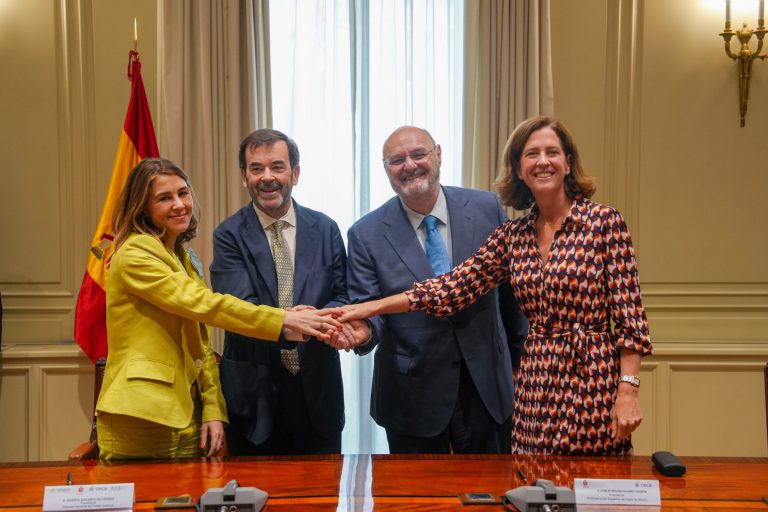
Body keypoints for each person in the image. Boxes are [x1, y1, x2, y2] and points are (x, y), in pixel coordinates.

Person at [338, 117, 653, 455]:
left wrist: (628, 389)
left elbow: (630, 318)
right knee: (531, 479)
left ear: (568, 162)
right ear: (519, 168)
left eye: (552, 152)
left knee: (594, 478)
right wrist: (369, 308)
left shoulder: (604, 223)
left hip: (591, 377)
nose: (542, 162)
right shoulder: (514, 235)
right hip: (535, 384)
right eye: (531, 154)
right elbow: (451, 289)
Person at [95, 158, 340, 460]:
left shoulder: (179, 256)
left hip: (188, 413)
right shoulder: (134, 253)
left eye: (183, 193)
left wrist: (212, 409)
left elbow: (201, 342)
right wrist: (284, 319)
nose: (179, 205)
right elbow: (207, 305)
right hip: (142, 413)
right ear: (143, 208)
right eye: (164, 198)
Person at [343, 125, 528, 454]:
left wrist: (520, 363)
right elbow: (369, 307)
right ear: (386, 169)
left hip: (487, 385)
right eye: (397, 160)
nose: (410, 165)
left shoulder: (487, 208)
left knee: (491, 485)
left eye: (418, 154)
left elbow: (513, 297)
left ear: (438, 154)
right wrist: (364, 331)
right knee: (418, 488)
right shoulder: (365, 233)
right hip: (412, 395)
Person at [210, 129, 348, 455]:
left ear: (295, 174)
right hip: (254, 399)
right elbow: (238, 311)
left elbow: (343, 296)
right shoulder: (228, 235)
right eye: (256, 168)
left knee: (323, 487)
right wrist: (296, 323)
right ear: (244, 177)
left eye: (277, 167)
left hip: (319, 395)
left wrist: (316, 323)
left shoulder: (326, 229)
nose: (267, 177)